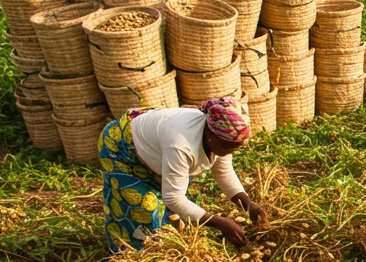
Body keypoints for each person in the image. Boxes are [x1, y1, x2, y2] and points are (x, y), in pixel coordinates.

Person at [98, 99, 268, 253]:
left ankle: (165, 239)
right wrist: (219, 222)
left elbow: (223, 172)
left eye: (234, 148)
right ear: (210, 133)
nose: (228, 152)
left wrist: (248, 204)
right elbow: (173, 198)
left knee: (174, 207)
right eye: (226, 147)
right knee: (143, 206)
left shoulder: (222, 137)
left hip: (155, 150)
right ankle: (130, 251)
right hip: (121, 149)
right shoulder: (181, 144)